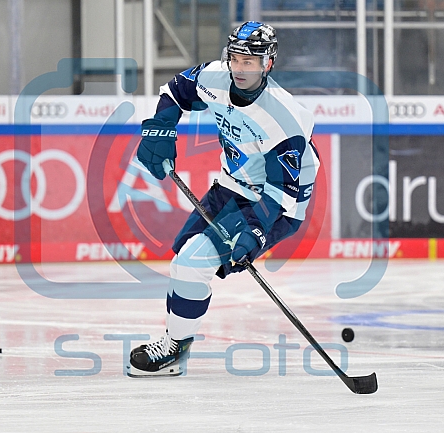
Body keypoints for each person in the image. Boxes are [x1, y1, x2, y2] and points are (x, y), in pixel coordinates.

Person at [128, 21, 320, 377]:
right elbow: (175, 92)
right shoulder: (216, 76)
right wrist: (160, 129)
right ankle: (177, 340)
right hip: (231, 185)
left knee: (191, 265)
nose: (241, 68)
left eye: (251, 61)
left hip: (275, 203)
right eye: (235, 58)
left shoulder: (284, 119)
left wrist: (255, 232)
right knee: (181, 264)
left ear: (269, 64)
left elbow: (281, 193)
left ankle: (172, 350)